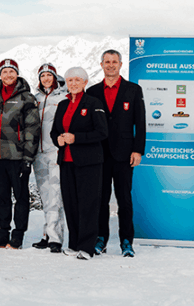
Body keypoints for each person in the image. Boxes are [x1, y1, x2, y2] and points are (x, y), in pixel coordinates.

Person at [85, 49, 146, 258]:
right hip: (99, 155)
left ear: (120, 65)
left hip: (124, 154)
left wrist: (138, 150)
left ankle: (127, 241)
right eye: (107, 62)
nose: (111, 65)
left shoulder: (133, 90)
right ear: (101, 65)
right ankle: (100, 239)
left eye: (114, 62)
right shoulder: (92, 92)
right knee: (100, 200)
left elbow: (141, 123)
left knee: (124, 200)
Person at [51, 67, 108, 260]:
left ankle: (87, 246)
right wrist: (57, 139)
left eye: (77, 80)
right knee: (71, 204)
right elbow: (54, 132)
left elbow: (102, 132)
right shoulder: (62, 104)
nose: (73, 83)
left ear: (85, 82)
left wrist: (76, 138)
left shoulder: (93, 103)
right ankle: (74, 244)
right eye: (70, 80)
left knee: (88, 204)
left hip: (89, 162)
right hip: (66, 161)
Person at [0, 59, 40, 250]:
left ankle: (17, 236)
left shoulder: (26, 98)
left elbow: (32, 129)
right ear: (0, 75)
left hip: (17, 156)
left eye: (11, 72)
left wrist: (27, 158)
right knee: (2, 197)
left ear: (17, 74)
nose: (8, 75)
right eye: (4, 72)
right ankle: (2, 234)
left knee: (21, 197)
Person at [30, 63, 67, 253]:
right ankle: (47, 233)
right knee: (46, 196)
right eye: (42, 75)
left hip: (55, 152)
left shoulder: (63, 97)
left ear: (55, 77)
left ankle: (55, 238)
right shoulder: (35, 98)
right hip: (38, 153)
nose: (46, 78)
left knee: (55, 196)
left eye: (49, 75)